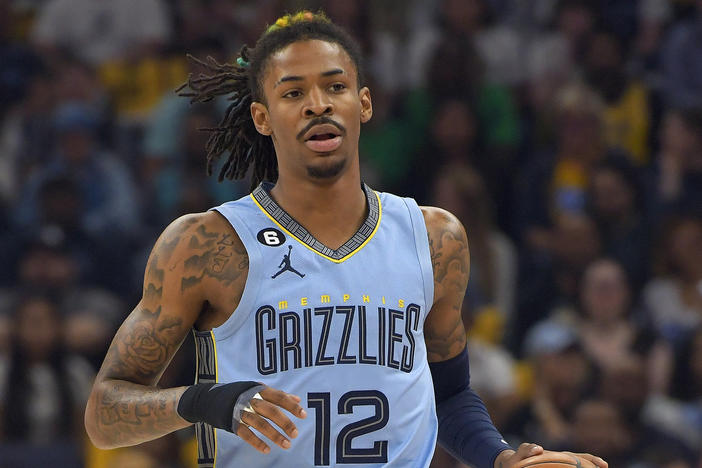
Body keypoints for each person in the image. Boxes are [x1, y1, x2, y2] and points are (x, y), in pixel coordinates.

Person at [84, 11, 607, 468]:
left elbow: (448, 393)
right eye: (293, 92)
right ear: (261, 117)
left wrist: (499, 456)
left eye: (334, 87)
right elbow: (104, 414)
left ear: (364, 103)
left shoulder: (434, 237)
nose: (318, 104)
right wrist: (205, 402)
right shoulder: (207, 245)